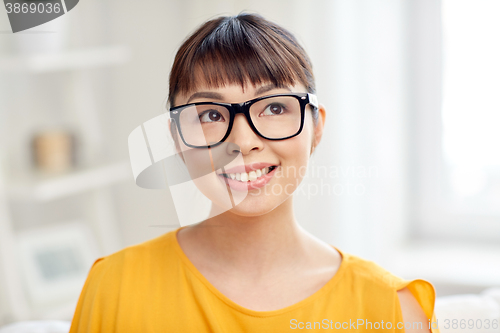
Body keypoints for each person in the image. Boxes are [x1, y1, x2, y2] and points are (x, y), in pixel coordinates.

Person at [70, 13, 439, 333]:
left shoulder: (394, 309)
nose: (243, 141)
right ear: (177, 140)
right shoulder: (113, 288)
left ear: (317, 128)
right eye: (211, 115)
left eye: (275, 108)